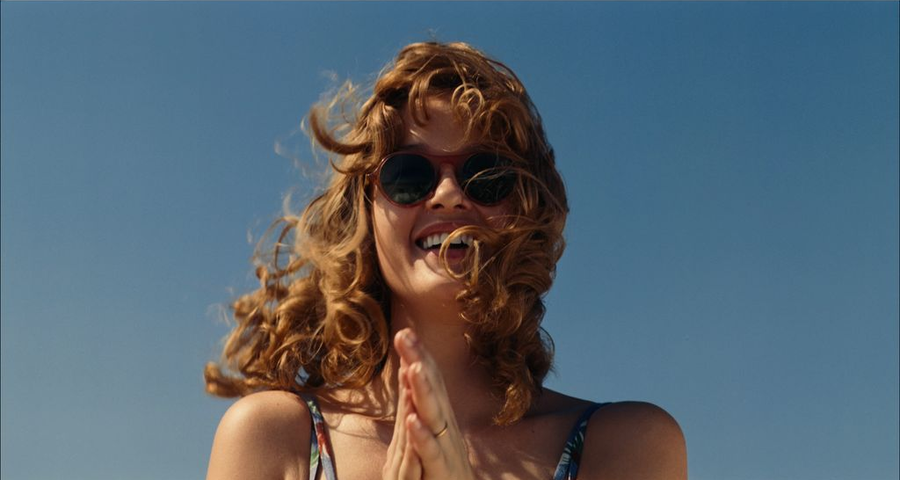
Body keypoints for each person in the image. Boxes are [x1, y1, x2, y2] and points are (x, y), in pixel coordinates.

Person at [204, 41, 687, 480]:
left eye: (486, 174)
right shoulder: (271, 438)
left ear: (525, 210)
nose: (449, 194)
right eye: (408, 175)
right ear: (365, 212)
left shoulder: (628, 445)